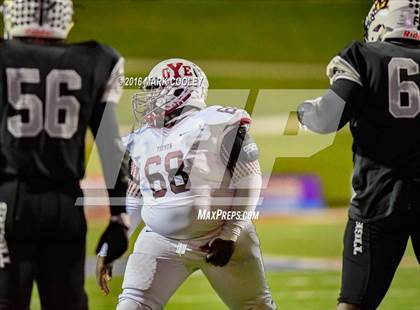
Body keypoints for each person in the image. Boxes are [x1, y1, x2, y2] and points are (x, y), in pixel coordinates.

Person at [98, 58, 276, 310]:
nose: (150, 96)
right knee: (132, 306)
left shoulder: (215, 123)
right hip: (162, 240)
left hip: (219, 234)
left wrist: (230, 233)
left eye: (157, 88)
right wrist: (111, 245)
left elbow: (249, 177)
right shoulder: (143, 137)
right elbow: (135, 198)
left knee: (255, 306)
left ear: (182, 90)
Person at [0, 1, 130, 309]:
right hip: (66, 205)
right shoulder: (96, 60)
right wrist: (118, 216)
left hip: (9, 200)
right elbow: (110, 144)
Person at [297, 1, 420, 309]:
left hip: (378, 199)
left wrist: (304, 112)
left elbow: (327, 120)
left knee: (354, 303)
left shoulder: (362, 55)